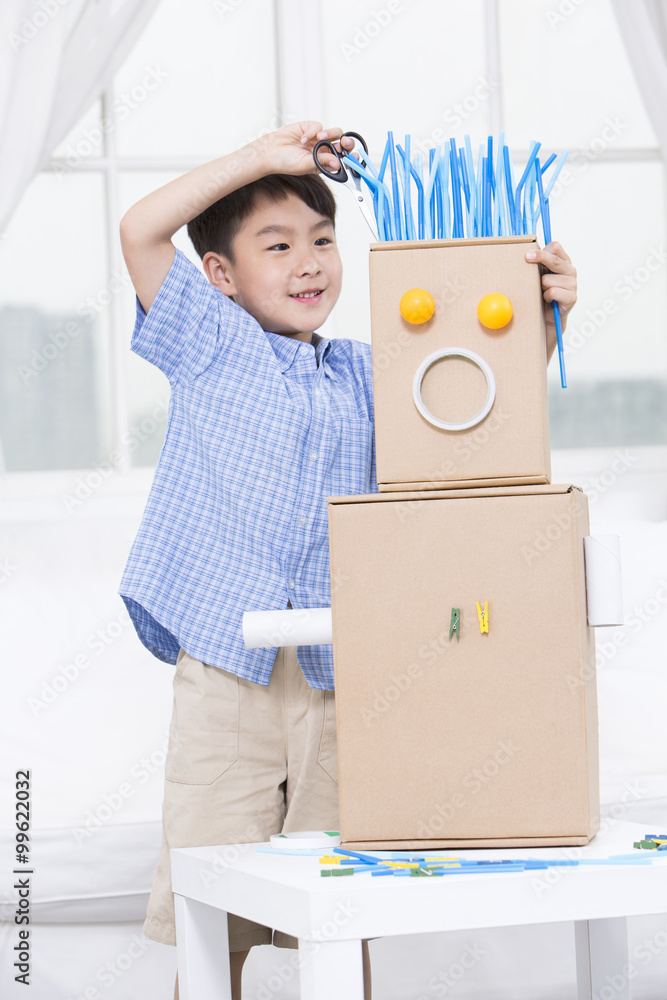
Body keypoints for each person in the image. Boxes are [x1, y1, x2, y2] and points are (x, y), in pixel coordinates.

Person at [117, 121, 578, 1000]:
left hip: (347, 676)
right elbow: (141, 228)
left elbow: (476, 409)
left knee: (343, 909)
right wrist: (260, 156)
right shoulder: (207, 340)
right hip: (228, 673)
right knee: (215, 923)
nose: (309, 262)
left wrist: (544, 318)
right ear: (220, 276)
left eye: (323, 241)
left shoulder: (371, 371)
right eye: (278, 245)